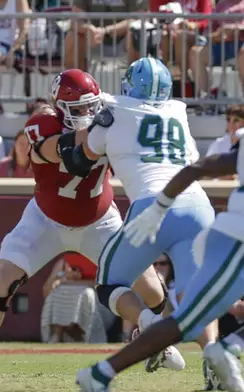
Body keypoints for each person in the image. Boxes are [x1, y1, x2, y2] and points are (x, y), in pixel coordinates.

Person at [0, 69, 170, 388]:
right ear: (62, 108)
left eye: (92, 106)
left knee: (151, 285)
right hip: (45, 219)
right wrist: (99, 130)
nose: (89, 113)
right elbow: (56, 151)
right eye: (80, 108)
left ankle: (158, 340)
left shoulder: (107, 117)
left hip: (100, 219)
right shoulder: (43, 124)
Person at [68, 58, 219, 389]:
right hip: (198, 205)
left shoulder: (115, 111)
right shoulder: (178, 112)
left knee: (109, 283)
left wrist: (93, 125)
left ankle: (150, 324)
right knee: (198, 297)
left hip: (154, 207)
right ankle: (214, 359)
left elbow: (80, 160)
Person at [76, 114, 244, 392]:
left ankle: (225, 349)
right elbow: (198, 168)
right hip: (235, 236)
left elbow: (196, 168)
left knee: (190, 318)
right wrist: (157, 207)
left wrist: (159, 208)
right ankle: (101, 372)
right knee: (186, 322)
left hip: (220, 228)